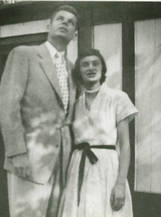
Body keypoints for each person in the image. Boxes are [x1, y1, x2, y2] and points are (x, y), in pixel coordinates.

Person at [0, 5, 79, 217]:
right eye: (60, 19)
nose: (65, 23)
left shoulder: (72, 68)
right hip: (29, 159)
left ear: (75, 34)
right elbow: (8, 106)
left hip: (61, 161)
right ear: (48, 25)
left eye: (70, 22)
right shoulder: (24, 54)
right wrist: (17, 153)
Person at [58, 49, 138, 217]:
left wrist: (121, 183)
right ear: (79, 71)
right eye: (85, 64)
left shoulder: (117, 98)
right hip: (78, 169)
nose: (91, 68)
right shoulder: (74, 104)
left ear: (102, 68)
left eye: (96, 63)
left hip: (107, 169)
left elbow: (125, 145)